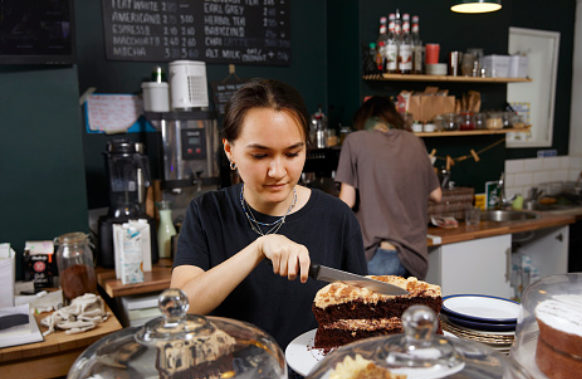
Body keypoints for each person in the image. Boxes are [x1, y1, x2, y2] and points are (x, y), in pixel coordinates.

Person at [171, 79, 367, 352]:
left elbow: (358, 315)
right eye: (260, 155)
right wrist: (259, 248)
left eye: (292, 153)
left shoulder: (337, 217)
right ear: (230, 150)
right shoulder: (206, 212)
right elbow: (180, 306)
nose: (277, 170)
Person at [335, 96, 442, 280]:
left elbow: (346, 202)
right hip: (414, 258)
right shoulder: (415, 142)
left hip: (377, 256)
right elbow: (436, 195)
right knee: (406, 309)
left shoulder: (355, 140)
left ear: (363, 120)